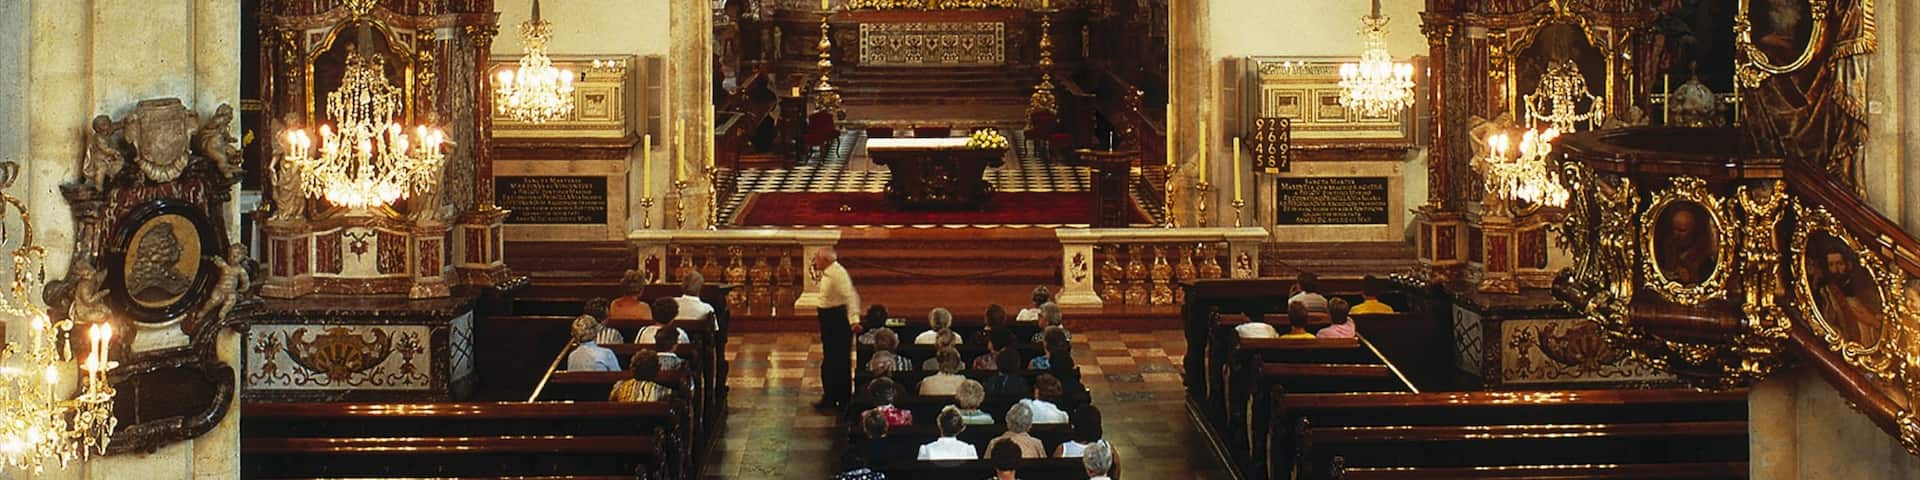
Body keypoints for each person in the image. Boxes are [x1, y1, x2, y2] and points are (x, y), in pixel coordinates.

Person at [816, 247, 862, 409]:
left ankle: (841, 398)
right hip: (829, 320)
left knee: (838, 360)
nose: (815, 262)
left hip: (836, 321)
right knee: (830, 359)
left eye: (817, 259)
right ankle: (832, 395)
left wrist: (854, 320)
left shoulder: (838, 273)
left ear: (825, 260)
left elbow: (850, 295)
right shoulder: (830, 272)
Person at [1816, 247, 1881, 342]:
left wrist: (1873, 321)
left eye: (1840, 264)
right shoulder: (1826, 293)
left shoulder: (1863, 288)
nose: (1836, 269)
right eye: (1831, 265)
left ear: (1848, 265)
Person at [1657, 208, 1715, 285]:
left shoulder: (1704, 258)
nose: (1677, 234)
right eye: (1674, 229)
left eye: (1682, 230)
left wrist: (1689, 277)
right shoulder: (1667, 247)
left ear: (1692, 231)